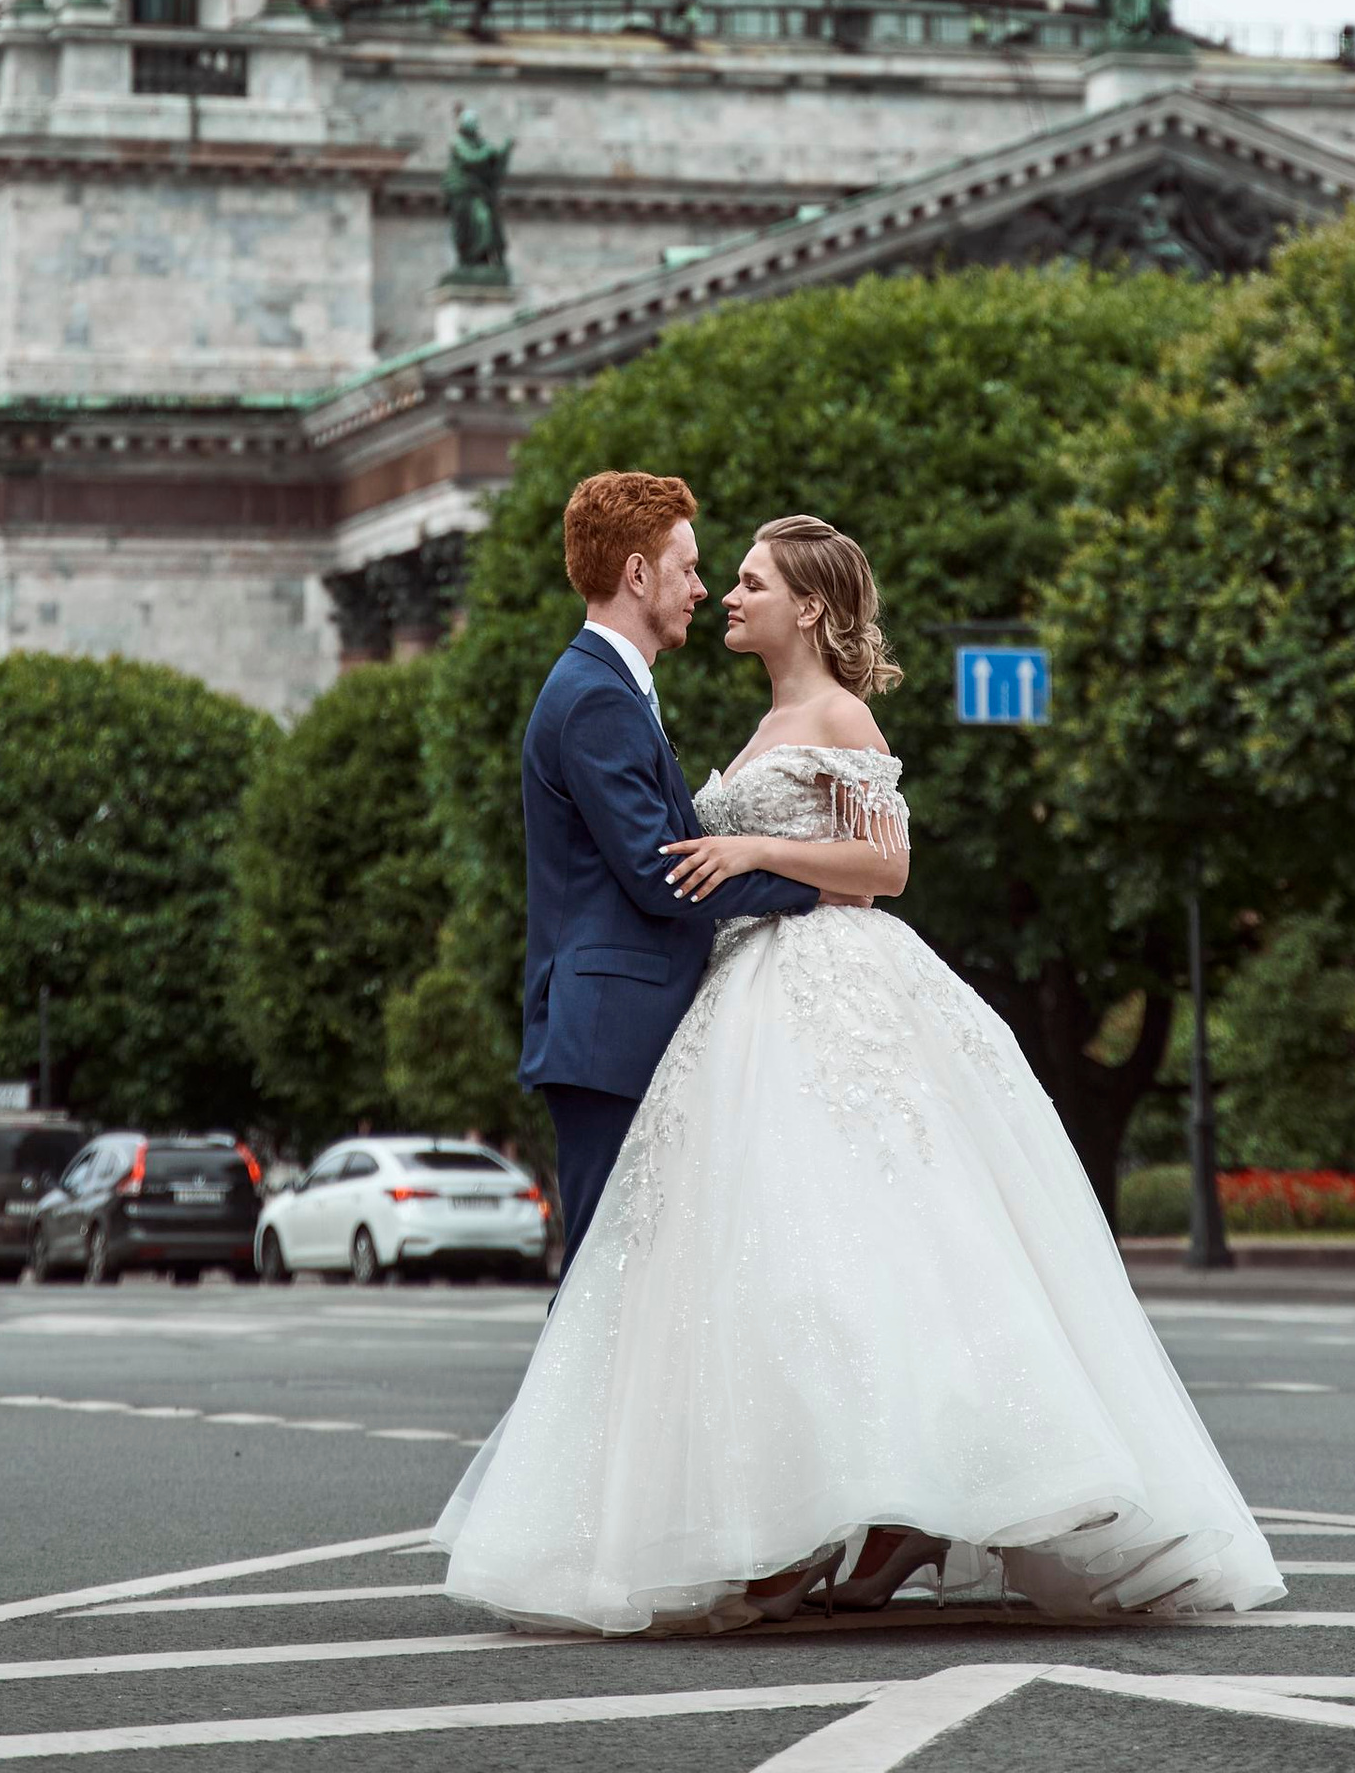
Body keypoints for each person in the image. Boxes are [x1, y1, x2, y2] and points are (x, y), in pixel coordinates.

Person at [439, 510, 1285, 1634]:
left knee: (873, 1243)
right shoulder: (750, 722)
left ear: (810, 607)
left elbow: (883, 865)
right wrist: (745, 859)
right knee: (784, 1263)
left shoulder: (838, 712)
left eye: (747, 581)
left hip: (832, 981)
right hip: (745, 990)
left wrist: (755, 851)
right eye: (714, 576)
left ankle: (878, 1515)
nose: (725, 595)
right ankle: (849, 1516)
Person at [514, 471, 819, 1275]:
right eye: (686, 568)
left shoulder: (609, 687)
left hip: (614, 1026)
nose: (701, 588)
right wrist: (815, 888)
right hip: (607, 1032)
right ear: (637, 575)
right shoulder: (596, 698)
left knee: (631, 1287)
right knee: (601, 1287)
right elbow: (664, 876)